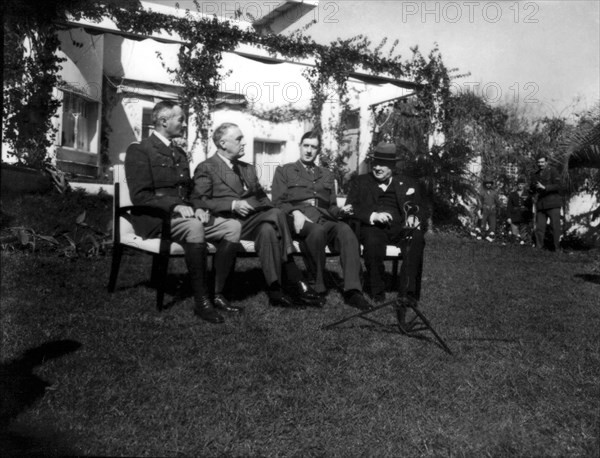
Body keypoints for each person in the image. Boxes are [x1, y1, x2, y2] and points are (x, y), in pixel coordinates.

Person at [124, 101, 242, 324]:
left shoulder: (178, 152)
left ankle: (216, 294)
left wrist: (199, 208)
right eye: (180, 119)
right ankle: (201, 302)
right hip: (156, 218)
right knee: (195, 227)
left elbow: (189, 191)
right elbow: (140, 196)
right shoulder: (139, 150)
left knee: (233, 227)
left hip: (184, 216)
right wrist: (174, 206)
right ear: (163, 121)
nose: (185, 123)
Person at [191, 123, 320, 308]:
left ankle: (275, 290)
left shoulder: (247, 169)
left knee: (268, 229)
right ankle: (296, 278)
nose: (244, 143)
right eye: (238, 139)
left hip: (254, 220)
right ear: (222, 143)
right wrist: (232, 204)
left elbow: (262, 198)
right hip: (229, 223)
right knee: (276, 213)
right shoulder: (207, 167)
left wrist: (261, 207)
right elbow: (200, 200)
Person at [271, 131, 371, 310]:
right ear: (300, 147)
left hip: (324, 217)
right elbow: (277, 202)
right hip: (297, 219)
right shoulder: (284, 170)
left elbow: (331, 205)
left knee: (346, 231)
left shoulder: (326, 174)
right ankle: (316, 286)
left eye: (313, 147)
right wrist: (295, 212)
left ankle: (353, 290)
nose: (309, 151)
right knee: (317, 231)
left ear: (318, 150)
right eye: (306, 146)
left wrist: (340, 211)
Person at [345, 142, 426, 307]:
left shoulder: (408, 183)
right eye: (375, 163)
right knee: (372, 241)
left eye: (383, 164)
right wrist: (373, 216)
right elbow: (350, 208)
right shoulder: (360, 182)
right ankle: (377, 291)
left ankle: (407, 295)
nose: (378, 168)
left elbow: (421, 208)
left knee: (416, 238)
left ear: (392, 166)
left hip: (401, 228)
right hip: (373, 227)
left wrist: (414, 217)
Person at [530, 156, 562, 251]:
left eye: (542, 162)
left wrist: (545, 187)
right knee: (539, 227)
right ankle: (539, 247)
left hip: (553, 203)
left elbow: (559, 186)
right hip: (541, 204)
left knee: (555, 227)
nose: (540, 164)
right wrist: (532, 189)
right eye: (538, 162)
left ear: (546, 162)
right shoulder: (535, 174)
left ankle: (556, 248)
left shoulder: (553, 171)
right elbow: (534, 188)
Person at [507, 177, 533, 245]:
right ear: (517, 185)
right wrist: (509, 217)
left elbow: (530, 207)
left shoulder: (527, 194)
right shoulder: (512, 194)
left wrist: (530, 217)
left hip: (524, 216)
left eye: (522, 184)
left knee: (524, 236)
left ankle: (524, 244)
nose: (520, 186)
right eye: (519, 184)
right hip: (514, 216)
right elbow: (509, 206)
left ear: (524, 185)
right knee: (515, 236)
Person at [476, 176, 500, 242]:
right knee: (482, 223)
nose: (488, 185)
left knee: (492, 224)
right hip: (484, 209)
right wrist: (479, 209)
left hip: (492, 210)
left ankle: (490, 237)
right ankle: (481, 235)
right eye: (487, 183)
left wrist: (496, 207)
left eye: (490, 183)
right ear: (485, 184)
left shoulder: (494, 192)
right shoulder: (482, 192)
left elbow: (497, 201)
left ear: (491, 184)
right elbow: (479, 201)